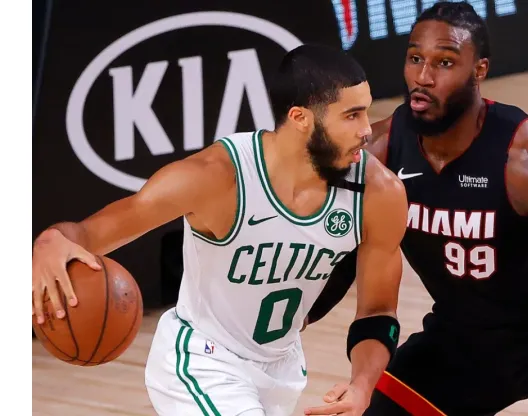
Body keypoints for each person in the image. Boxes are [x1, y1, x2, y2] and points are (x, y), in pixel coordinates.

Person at [305, 3, 528, 415]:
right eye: (415, 58)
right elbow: (346, 261)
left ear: (479, 71)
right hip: (463, 341)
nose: (423, 77)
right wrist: (294, 321)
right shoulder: (381, 154)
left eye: (445, 62)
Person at [31, 44, 409, 416]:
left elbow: (377, 312)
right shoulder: (215, 178)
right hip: (201, 361)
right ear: (300, 117)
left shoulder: (379, 193)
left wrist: (362, 386)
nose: (366, 129)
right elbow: (87, 233)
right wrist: (50, 241)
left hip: (283, 368)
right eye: (352, 115)